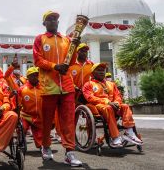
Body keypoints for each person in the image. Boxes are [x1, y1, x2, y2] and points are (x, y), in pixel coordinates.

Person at [33, 10, 82, 166]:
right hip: (48, 86)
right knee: (47, 121)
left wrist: (75, 46)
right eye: (50, 19)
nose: (53, 21)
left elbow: (72, 60)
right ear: (44, 23)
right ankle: (46, 146)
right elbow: (38, 60)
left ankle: (69, 152)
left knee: (68, 121)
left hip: (67, 85)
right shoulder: (40, 39)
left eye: (55, 19)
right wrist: (55, 67)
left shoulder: (66, 40)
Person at [82, 63, 143, 147]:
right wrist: (107, 102)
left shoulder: (111, 84)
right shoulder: (88, 84)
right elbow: (90, 98)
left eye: (103, 70)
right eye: (98, 70)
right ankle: (115, 137)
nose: (101, 72)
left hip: (113, 105)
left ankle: (129, 132)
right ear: (92, 73)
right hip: (99, 106)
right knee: (108, 108)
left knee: (125, 106)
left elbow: (118, 95)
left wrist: (117, 102)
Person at [18, 67, 42, 149]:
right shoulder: (22, 89)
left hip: (39, 116)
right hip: (25, 115)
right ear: (28, 77)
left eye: (36, 75)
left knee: (40, 139)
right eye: (32, 75)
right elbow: (16, 102)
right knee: (23, 128)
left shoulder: (43, 88)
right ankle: (21, 144)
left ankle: (42, 147)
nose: (35, 77)